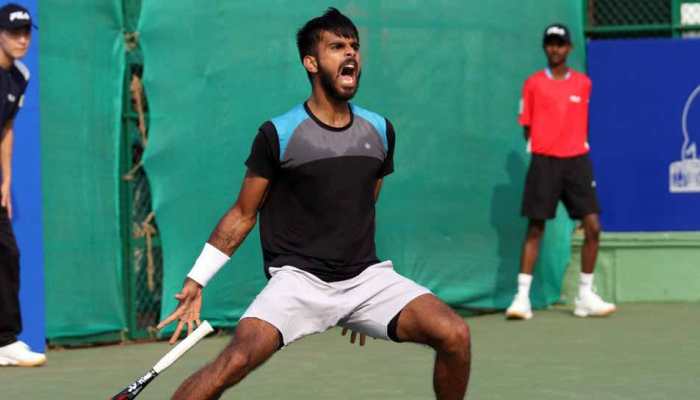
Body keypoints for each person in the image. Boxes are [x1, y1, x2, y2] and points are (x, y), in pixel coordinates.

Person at [157, 8, 471, 400]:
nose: (351, 54)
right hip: (298, 281)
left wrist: (362, 304)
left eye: (354, 46)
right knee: (233, 362)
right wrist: (196, 280)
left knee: (455, 334)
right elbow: (243, 214)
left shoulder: (379, 130)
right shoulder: (279, 134)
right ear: (311, 62)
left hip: (365, 280)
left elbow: (363, 202)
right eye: (337, 46)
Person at [505, 23, 616, 320]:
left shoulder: (583, 83)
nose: (555, 48)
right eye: (550, 43)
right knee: (536, 227)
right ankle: (522, 298)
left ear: (569, 48)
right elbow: (527, 125)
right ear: (545, 47)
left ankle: (585, 296)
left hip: (577, 162)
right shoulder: (532, 84)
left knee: (593, 227)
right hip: (544, 162)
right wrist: (545, 144)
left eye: (560, 43)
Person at [0, 3, 45, 367]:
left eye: (26, 32)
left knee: (7, 254)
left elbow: (7, 128)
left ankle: (5, 340)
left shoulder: (20, 77)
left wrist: (6, 179)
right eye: (14, 32)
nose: (21, 39)